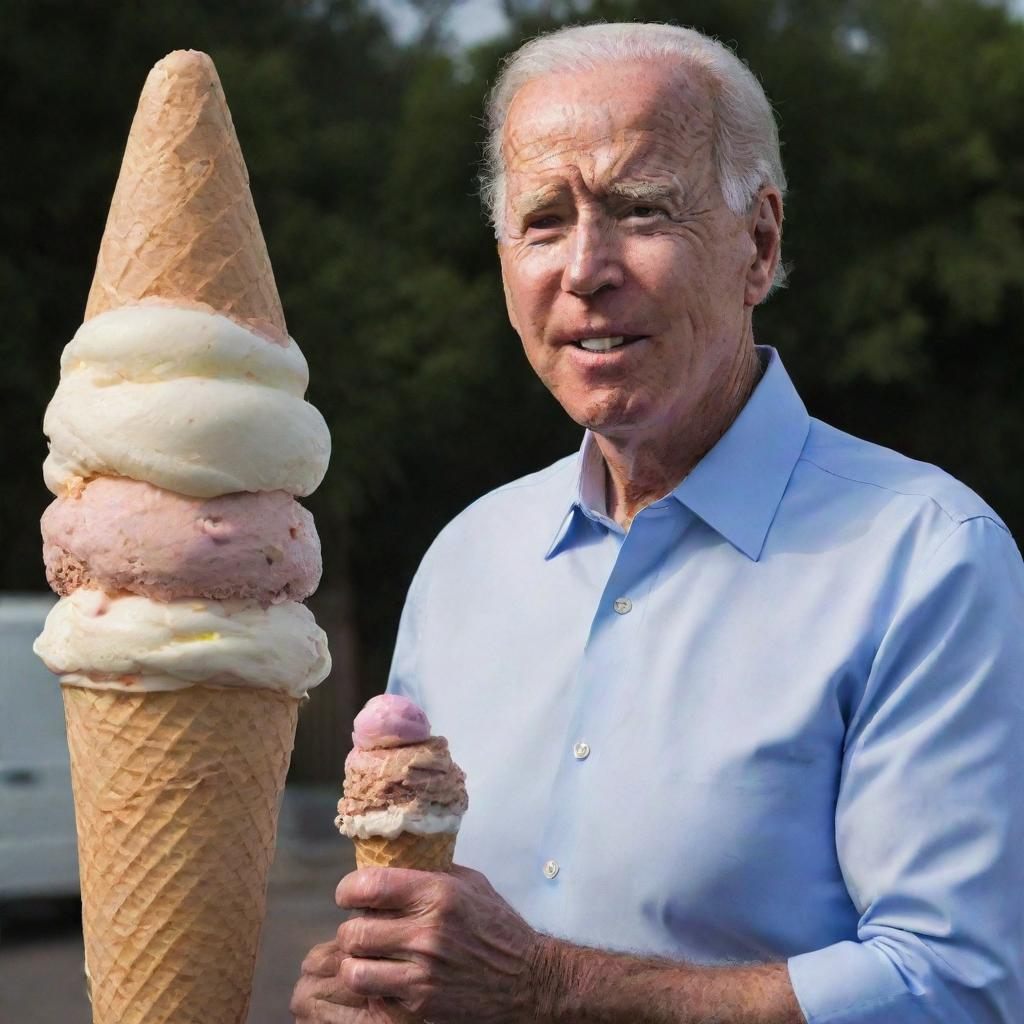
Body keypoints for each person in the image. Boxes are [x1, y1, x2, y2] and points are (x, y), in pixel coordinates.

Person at [291, 22, 1024, 1024]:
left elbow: (956, 989)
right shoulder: (467, 558)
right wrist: (369, 987)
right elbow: (443, 948)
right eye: (543, 222)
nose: (585, 269)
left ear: (757, 245)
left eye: (639, 210)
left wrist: (546, 986)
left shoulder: (926, 557)